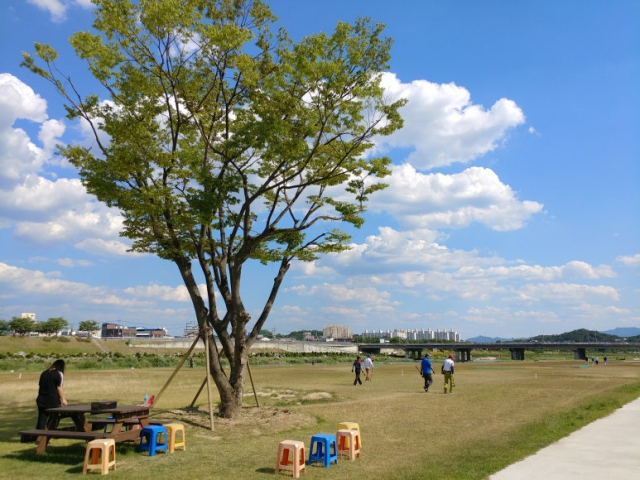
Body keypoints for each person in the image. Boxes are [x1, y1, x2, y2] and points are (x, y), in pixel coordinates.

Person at [36, 359, 67, 429]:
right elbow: (59, 388)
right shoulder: (59, 373)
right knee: (53, 418)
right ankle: (50, 432)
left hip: (41, 399)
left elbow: (41, 385)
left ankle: (39, 435)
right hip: (53, 400)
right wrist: (63, 399)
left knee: (42, 418)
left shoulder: (44, 373)